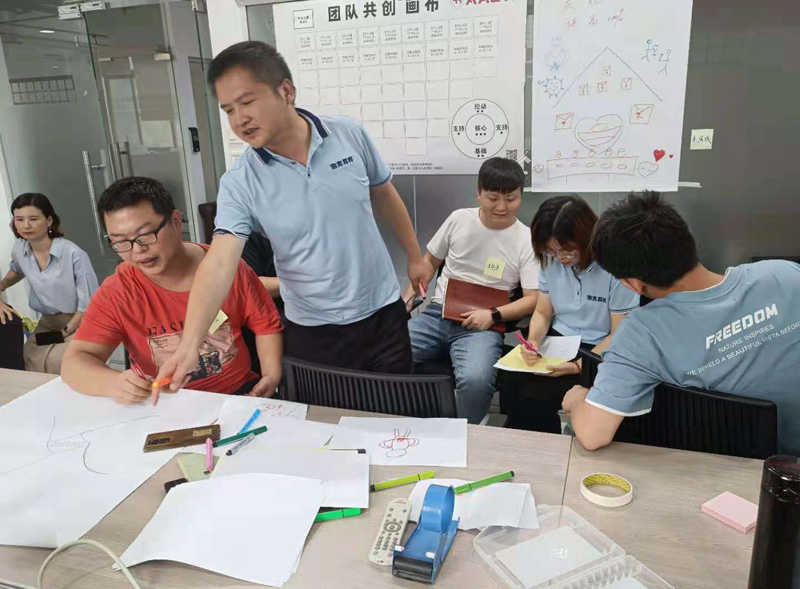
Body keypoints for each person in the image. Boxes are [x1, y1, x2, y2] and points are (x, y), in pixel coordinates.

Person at [154, 41, 430, 390]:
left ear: (286, 91)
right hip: (314, 330)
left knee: (396, 415)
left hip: (383, 314)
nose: (239, 119)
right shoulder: (240, 181)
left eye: (247, 102)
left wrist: (414, 256)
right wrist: (191, 342)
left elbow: (383, 192)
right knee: (326, 421)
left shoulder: (347, 134)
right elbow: (220, 263)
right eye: (228, 110)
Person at [562, 192, 800, 455]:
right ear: (687, 238)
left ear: (633, 284)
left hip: (723, 466)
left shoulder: (642, 333)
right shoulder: (784, 275)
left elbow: (593, 435)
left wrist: (577, 398)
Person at [61, 177, 283, 404]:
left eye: (146, 235)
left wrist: (271, 375)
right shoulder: (118, 292)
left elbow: (265, 325)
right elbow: (74, 362)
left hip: (238, 395)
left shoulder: (225, 267)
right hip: (164, 405)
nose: (137, 250)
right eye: (120, 242)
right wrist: (111, 383)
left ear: (176, 222)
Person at [405, 158, 539, 424]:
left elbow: (533, 299)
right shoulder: (459, 219)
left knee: (476, 380)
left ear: (521, 196)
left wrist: (493, 315)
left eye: (511, 199)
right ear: (479, 193)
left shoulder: (527, 240)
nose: (501, 207)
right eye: (493, 198)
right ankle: (404, 421)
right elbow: (429, 262)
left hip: (483, 327)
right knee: (384, 354)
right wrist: (406, 300)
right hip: (436, 315)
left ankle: (465, 431)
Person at [504, 195, 639, 433]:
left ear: (586, 238)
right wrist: (533, 341)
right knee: (514, 384)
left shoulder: (616, 267)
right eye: (551, 251)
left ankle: (553, 447)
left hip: (601, 347)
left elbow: (620, 334)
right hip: (561, 339)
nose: (560, 258)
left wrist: (579, 366)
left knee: (538, 395)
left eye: (566, 250)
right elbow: (543, 312)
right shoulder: (550, 261)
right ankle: (528, 448)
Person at [1, 193, 99, 374]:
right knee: (28, 356)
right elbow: (17, 270)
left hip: (80, 323)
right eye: (19, 219)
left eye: (33, 219)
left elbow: (89, 305)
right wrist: (2, 290)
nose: (26, 225)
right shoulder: (20, 249)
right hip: (48, 323)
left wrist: (65, 332)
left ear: (49, 221)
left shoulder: (73, 254)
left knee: (59, 361)